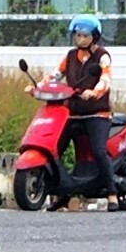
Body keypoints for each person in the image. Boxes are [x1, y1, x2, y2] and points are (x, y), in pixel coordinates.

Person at [46, 14, 115, 210]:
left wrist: (94, 92)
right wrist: (39, 87)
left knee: (98, 151)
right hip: (73, 113)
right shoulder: (69, 57)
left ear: (94, 36)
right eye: (77, 35)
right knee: (55, 148)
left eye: (85, 36)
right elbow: (55, 76)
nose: (80, 40)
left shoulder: (102, 56)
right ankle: (61, 192)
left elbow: (106, 79)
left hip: (96, 113)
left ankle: (111, 194)